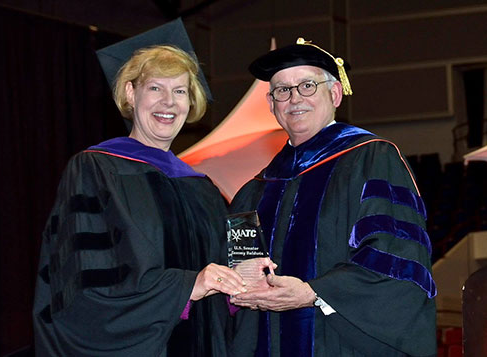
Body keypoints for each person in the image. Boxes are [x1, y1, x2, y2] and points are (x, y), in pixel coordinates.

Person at [32, 42, 248, 356]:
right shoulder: (96, 168)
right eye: (155, 88)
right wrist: (186, 287)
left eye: (180, 91)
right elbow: (82, 284)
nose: (168, 102)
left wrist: (245, 284)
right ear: (132, 94)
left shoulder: (202, 188)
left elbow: (220, 279)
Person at [229, 38, 437, 356]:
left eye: (308, 85)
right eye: (282, 90)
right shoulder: (257, 188)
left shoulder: (373, 159)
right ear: (271, 105)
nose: (294, 98)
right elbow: (239, 271)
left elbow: (397, 259)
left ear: (336, 94)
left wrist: (314, 292)